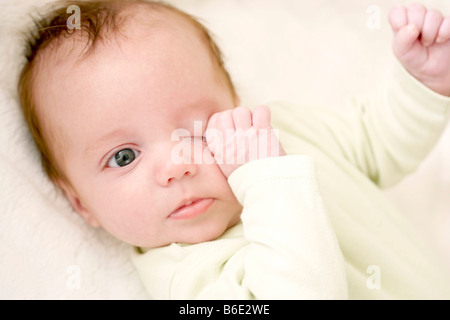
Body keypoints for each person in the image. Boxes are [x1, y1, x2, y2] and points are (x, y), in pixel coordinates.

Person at [18, 0, 450, 299]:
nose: (178, 164)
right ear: (80, 203)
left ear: (234, 101)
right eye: (124, 157)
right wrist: (267, 182)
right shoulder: (184, 278)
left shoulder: (282, 132)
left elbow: (375, 145)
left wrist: (421, 84)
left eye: (197, 127)